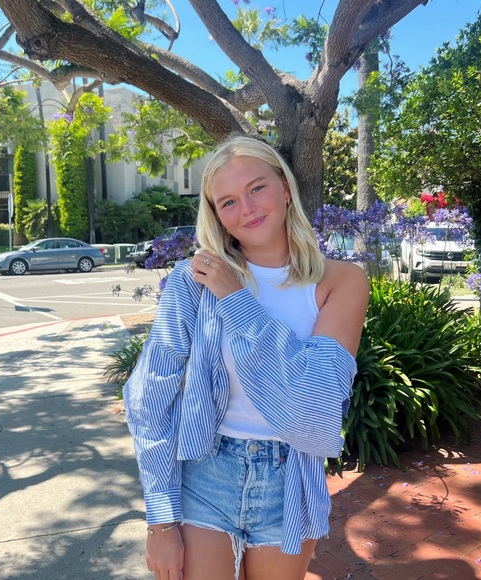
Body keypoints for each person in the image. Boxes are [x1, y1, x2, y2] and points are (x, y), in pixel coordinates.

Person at [124, 135, 369, 580]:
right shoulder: (193, 280)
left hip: (289, 480)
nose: (248, 209)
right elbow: (150, 395)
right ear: (216, 214)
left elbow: (316, 404)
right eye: (229, 202)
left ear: (285, 188)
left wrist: (237, 300)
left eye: (257, 188)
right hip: (204, 472)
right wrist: (160, 520)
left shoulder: (341, 281)